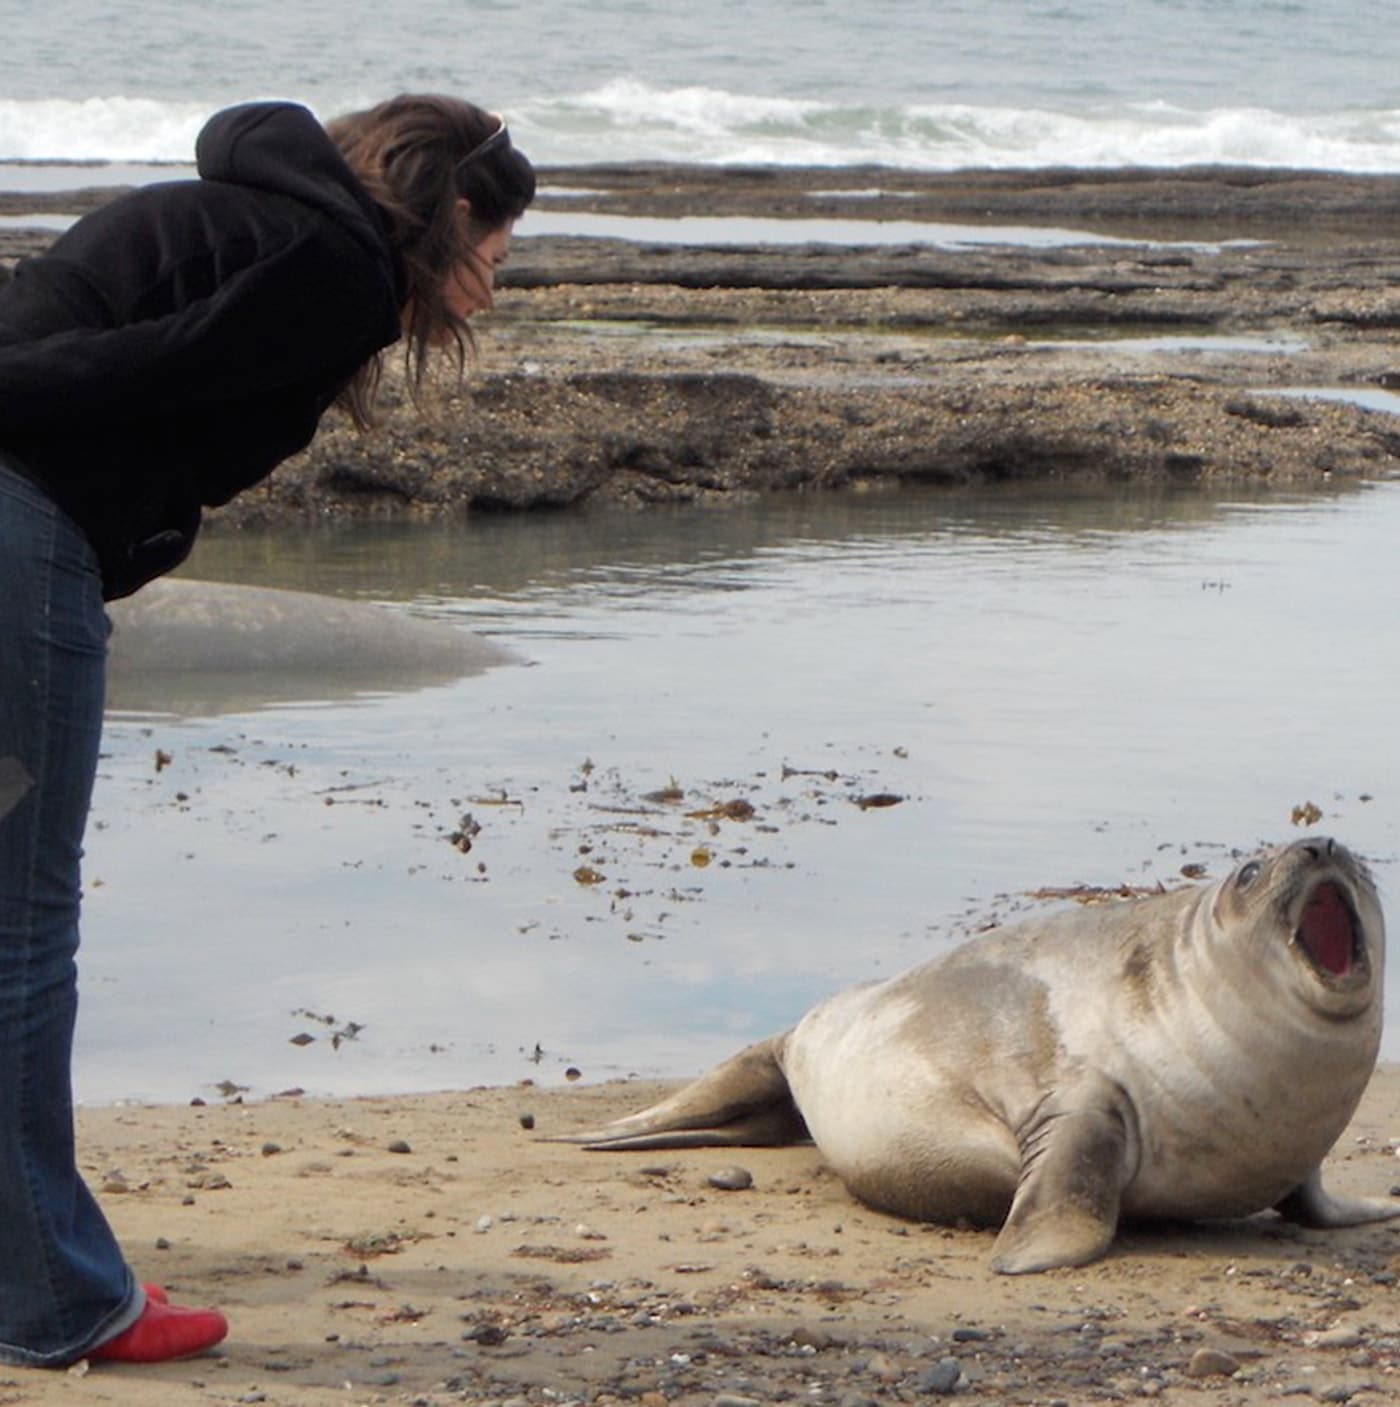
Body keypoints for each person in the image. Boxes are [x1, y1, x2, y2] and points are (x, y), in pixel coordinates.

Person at [0, 93, 535, 1367]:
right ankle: (54, 1302)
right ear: (453, 209)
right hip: (14, 540)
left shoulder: (256, 222)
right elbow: (117, 377)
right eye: (496, 261)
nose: (488, 295)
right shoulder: (338, 263)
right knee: (21, 935)